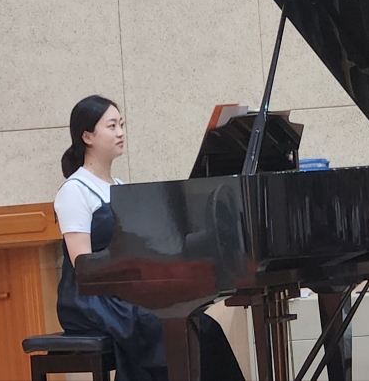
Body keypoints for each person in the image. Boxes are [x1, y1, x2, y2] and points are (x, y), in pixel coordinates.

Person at [53, 95, 245, 381]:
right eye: (111, 126)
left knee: (203, 326)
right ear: (87, 136)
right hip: (91, 299)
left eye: (121, 124)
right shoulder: (74, 190)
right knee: (168, 329)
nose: (120, 132)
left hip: (124, 291)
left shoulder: (120, 187)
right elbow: (82, 263)